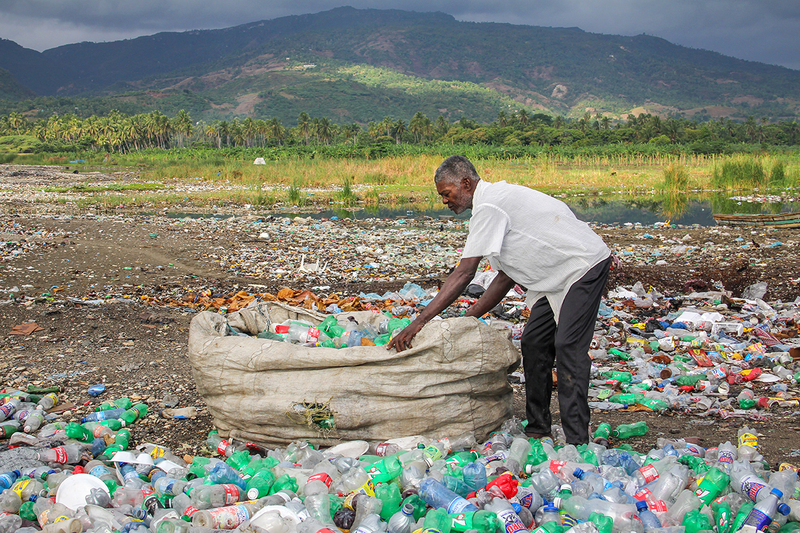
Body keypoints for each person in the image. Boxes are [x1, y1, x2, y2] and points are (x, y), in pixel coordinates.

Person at [388, 155, 611, 444]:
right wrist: (467, 320)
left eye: (447, 193)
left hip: (582, 267)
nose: (445, 201)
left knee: (568, 346)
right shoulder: (490, 205)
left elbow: (465, 272)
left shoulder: (490, 206)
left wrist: (418, 322)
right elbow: (504, 278)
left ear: (466, 183)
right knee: (534, 342)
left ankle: (577, 440)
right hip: (553, 278)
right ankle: (538, 427)